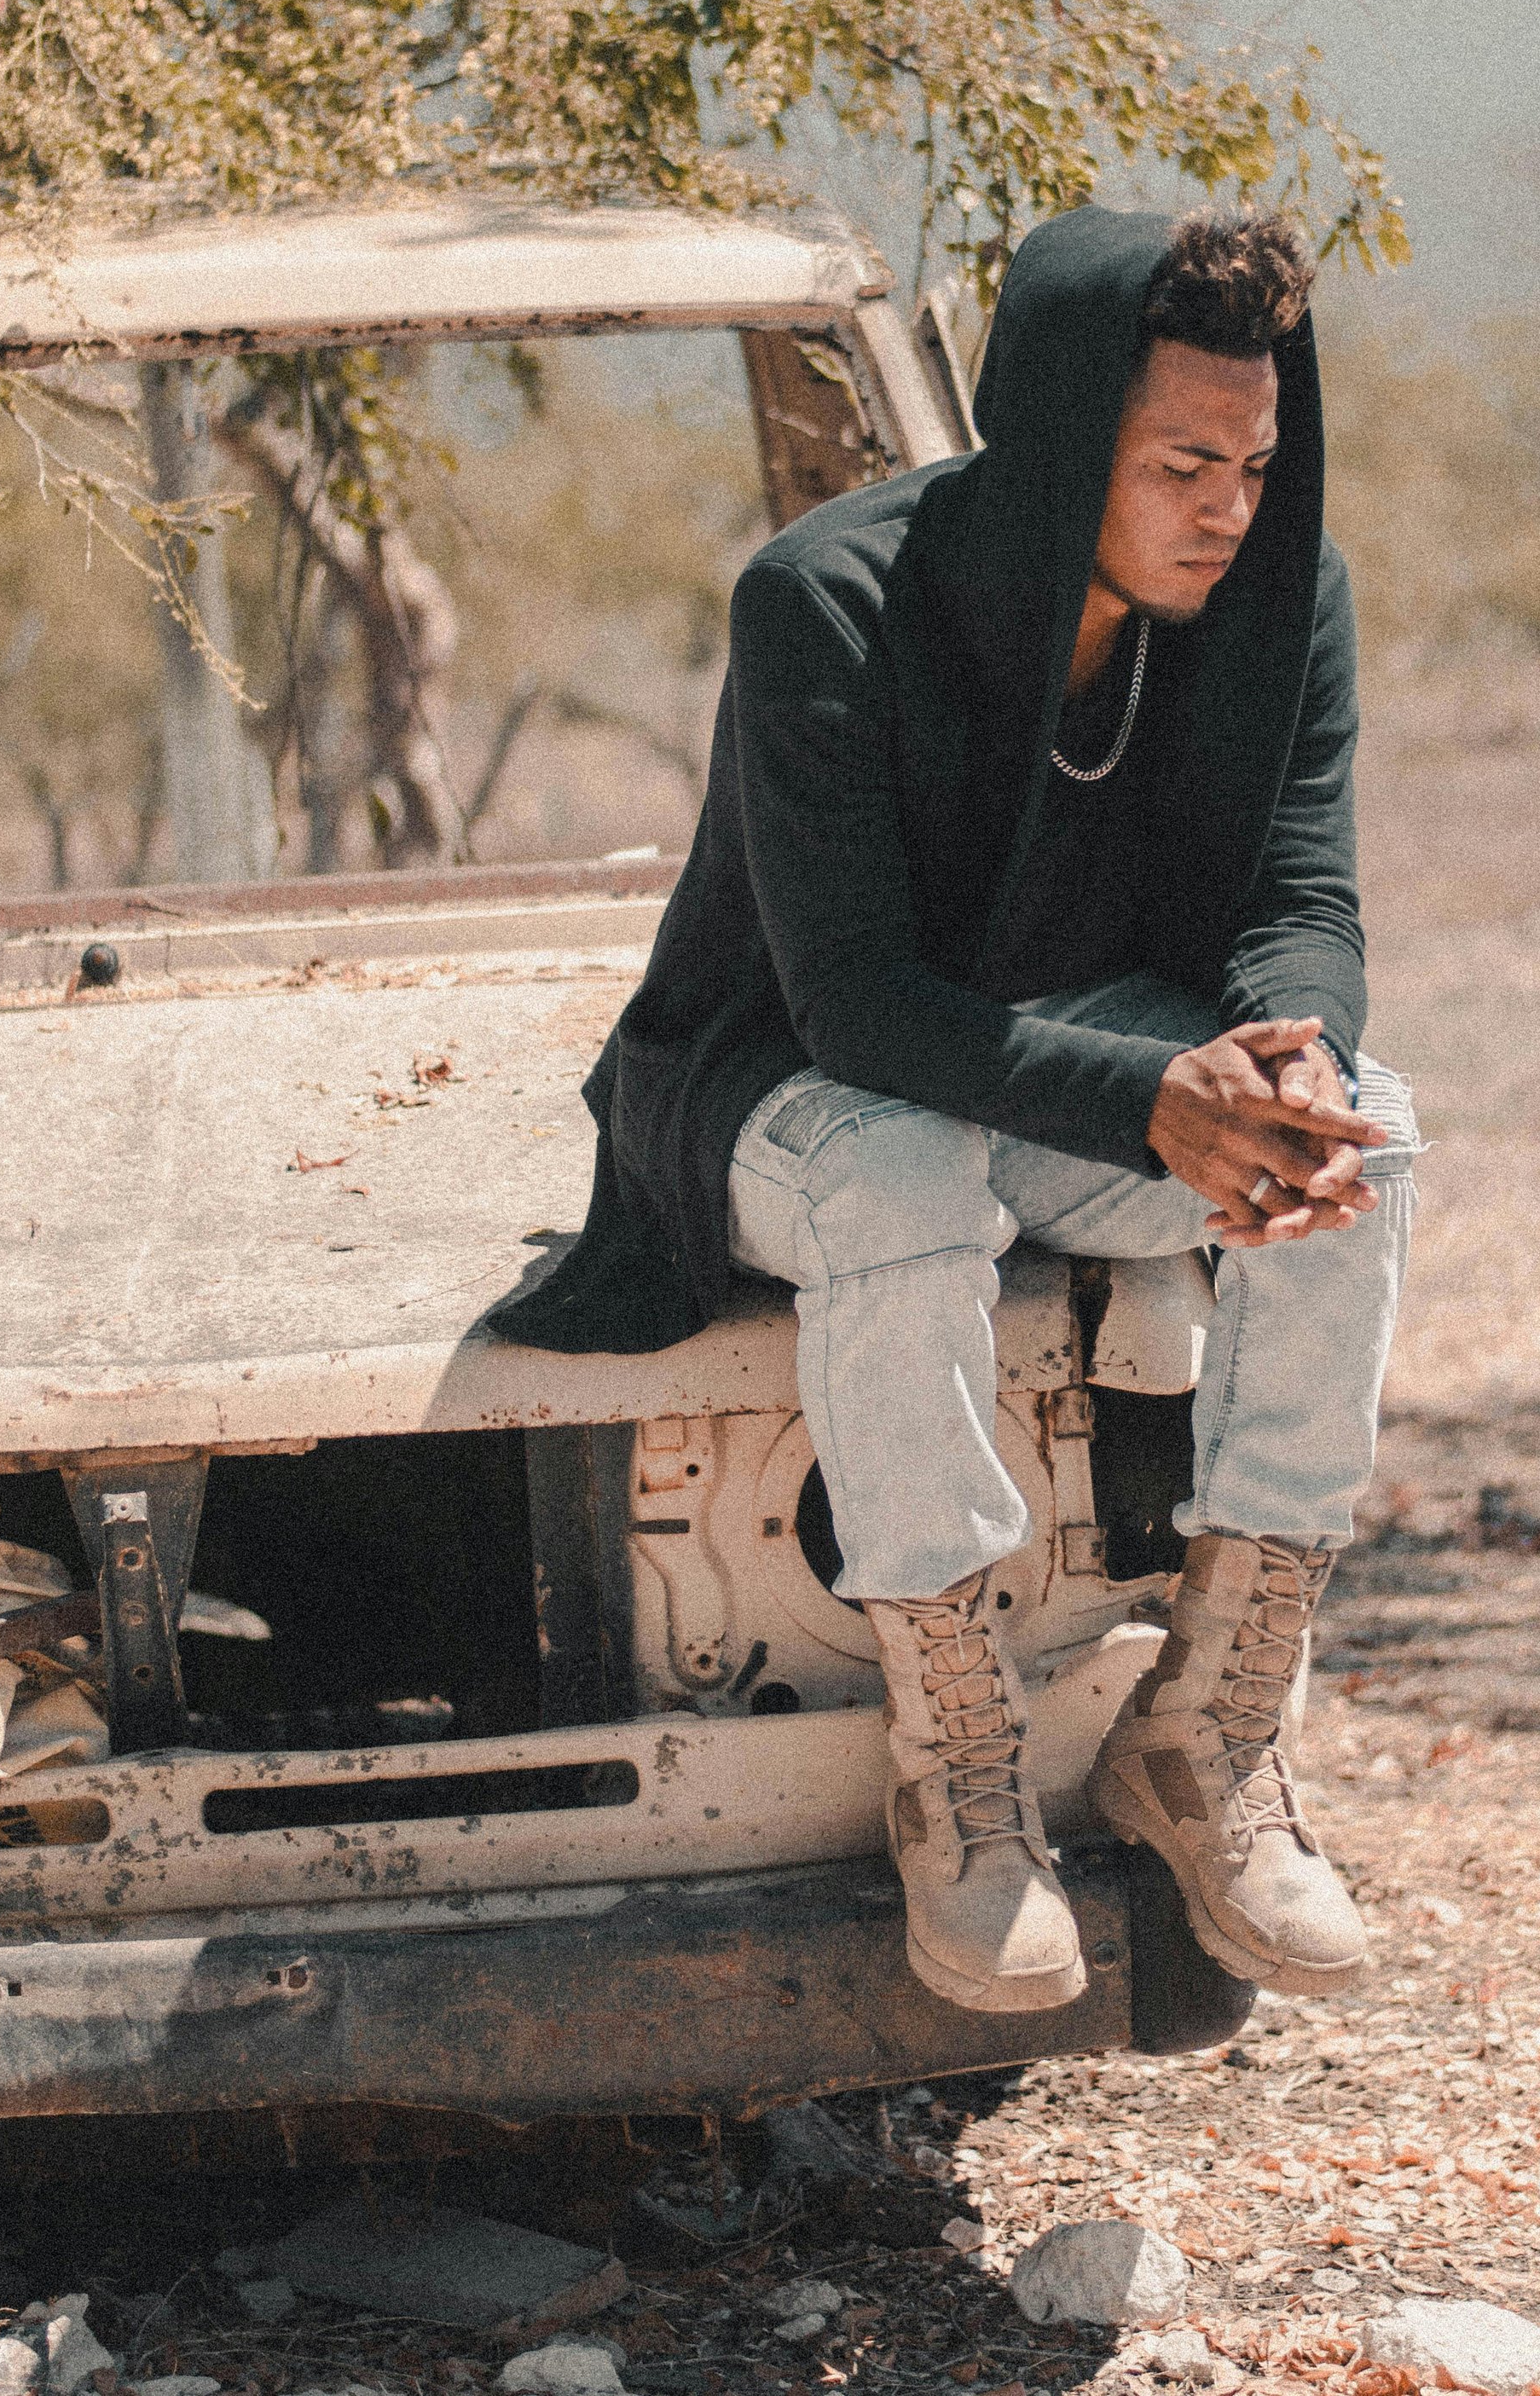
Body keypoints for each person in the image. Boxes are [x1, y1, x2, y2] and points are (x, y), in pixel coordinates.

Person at [507, 205, 1418, 2017]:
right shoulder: (824, 600)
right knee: (903, 1174)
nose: (1227, 506)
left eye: (1252, 462)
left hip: (1078, 1077)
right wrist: (1150, 1098)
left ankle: (1212, 1726)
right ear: (1069, 437)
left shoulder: (1278, 593)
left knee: (1363, 1138)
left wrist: (1286, 1063)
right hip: (775, 1080)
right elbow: (851, 998)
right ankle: (961, 1762)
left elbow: (1296, 898)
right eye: (1179, 464)